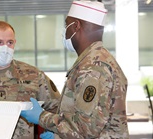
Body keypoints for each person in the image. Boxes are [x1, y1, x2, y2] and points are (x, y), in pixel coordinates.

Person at [21, 0, 129, 138]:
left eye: (67, 25)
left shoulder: (93, 67)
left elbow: (85, 130)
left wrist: (42, 117)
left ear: (76, 26)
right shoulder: (97, 59)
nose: (65, 30)